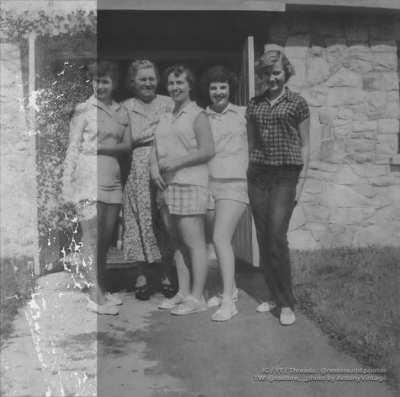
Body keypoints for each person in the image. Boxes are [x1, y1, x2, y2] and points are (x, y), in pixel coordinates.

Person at [246, 48, 310, 326]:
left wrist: (302, 183)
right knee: (262, 236)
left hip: (286, 175)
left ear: (285, 73)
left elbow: (305, 145)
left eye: (276, 72)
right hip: (259, 174)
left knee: (276, 235)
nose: (271, 78)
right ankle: (273, 294)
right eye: (266, 73)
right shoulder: (254, 104)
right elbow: (250, 145)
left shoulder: (298, 103)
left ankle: (286, 303)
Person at [63, 61, 132, 315]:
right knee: (91, 240)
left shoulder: (120, 110)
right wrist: (67, 185)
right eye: (96, 80)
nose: (100, 85)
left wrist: (102, 149)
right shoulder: (83, 110)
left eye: (105, 81)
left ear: (114, 83)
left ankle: (100, 287)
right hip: (87, 181)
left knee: (104, 241)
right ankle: (95, 297)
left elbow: (127, 146)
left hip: (112, 183)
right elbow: (72, 148)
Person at [151, 65, 215, 315]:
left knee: (195, 243)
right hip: (167, 186)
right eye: (171, 83)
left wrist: (176, 163)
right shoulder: (167, 116)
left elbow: (208, 150)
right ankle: (183, 291)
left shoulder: (197, 114)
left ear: (190, 86)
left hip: (190, 183)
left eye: (180, 83)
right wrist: (154, 168)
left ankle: (196, 297)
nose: (175, 87)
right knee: (177, 243)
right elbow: (156, 147)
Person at [122, 60, 175, 300]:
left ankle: (166, 271)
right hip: (136, 168)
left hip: (165, 164)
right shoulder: (125, 107)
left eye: (151, 78)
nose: (147, 83)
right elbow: (124, 140)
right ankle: (141, 273)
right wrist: (146, 134)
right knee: (138, 219)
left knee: (164, 220)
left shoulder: (169, 103)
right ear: (133, 82)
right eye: (142, 79)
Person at [201, 66, 249, 321]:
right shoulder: (202, 117)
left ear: (230, 89)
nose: (218, 92)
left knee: (220, 237)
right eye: (213, 87)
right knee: (214, 241)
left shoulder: (243, 114)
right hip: (209, 184)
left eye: (222, 86)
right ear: (208, 91)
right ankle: (224, 288)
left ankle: (229, 301)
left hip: (235, 184)